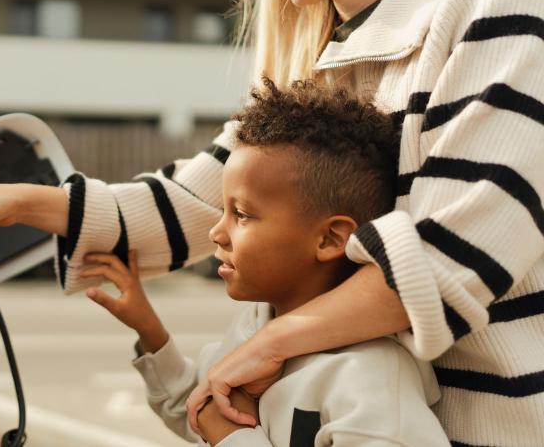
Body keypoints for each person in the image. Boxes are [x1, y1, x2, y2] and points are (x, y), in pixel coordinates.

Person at [0, 0, 544, 444]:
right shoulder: (318, 56)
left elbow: (451, 262)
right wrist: (28, 203)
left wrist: (266, 345)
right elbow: (193, 207)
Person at [80, 79, 448, 446]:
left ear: (331, 239)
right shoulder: (255, 326)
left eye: (240, 214)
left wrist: (234, 438)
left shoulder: (372, 376)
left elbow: (218, 427)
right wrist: (149, 330)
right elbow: (196, 413)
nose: (215, 233)